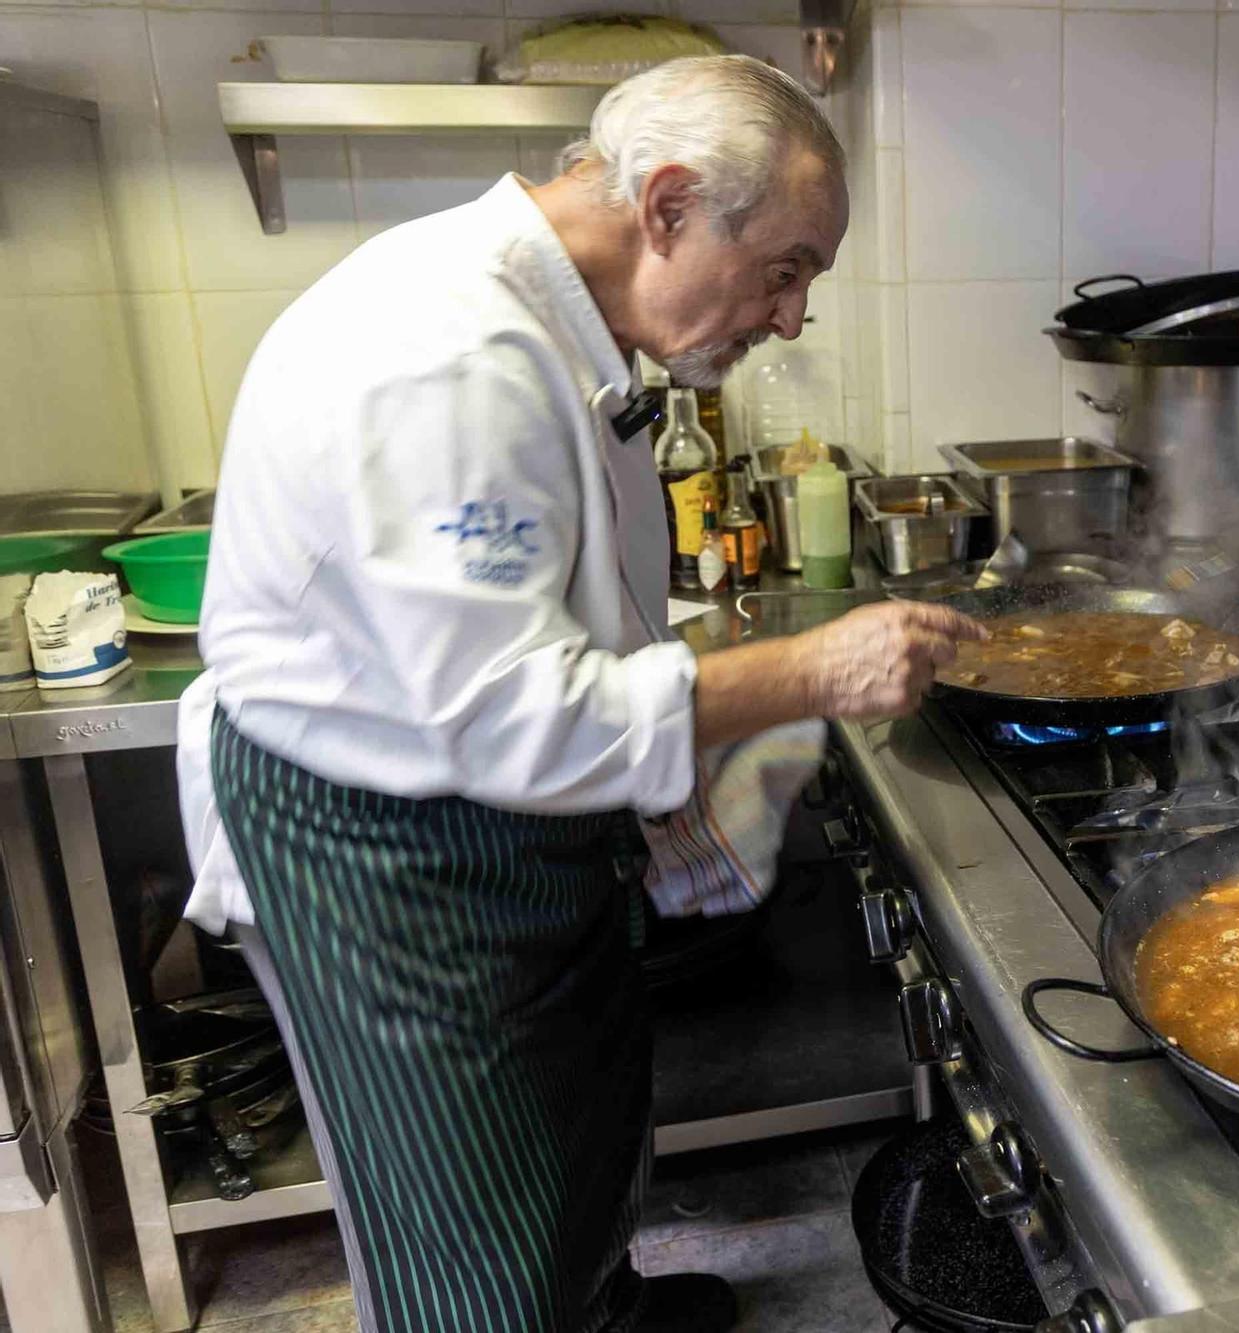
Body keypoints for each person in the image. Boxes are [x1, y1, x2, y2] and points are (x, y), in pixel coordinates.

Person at [173, 56, 982, 1333]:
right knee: (472, 1235)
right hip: (395, 856)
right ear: (665, 205)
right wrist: (811, 671)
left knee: (577, 1141)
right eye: (786, 268)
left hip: (517, 831)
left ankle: (598, 1308)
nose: (789, 319)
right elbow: (507, 714)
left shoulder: (559, 327)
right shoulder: (445, 356)